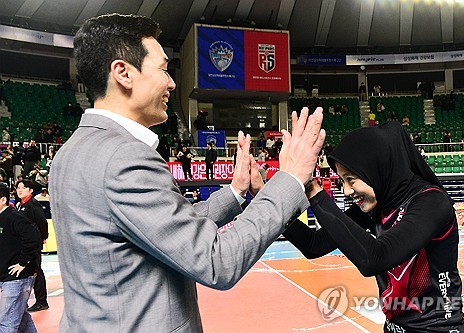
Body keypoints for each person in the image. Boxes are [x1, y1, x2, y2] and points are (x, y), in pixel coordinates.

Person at [49, 13, 325, 333]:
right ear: (123, 73)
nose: (172, 82)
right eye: (164, 69)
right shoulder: (123, 157)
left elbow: (169, 227)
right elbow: (217, 261)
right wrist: (289, 177)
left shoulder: (71, 152)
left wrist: (235, 191)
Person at [284, 121, 464, 333]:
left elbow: (374, 258)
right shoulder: (378, 205)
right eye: (342, 181)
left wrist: (315, 193)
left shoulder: (431, 202)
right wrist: (266, 199)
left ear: (376, 168)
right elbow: (313, 245)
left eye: (351, 180)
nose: (346, 191)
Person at [0, 184, 41, 333]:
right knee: (21, 320)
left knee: (6, 323)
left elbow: (34, 238)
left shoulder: (14, 216)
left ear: (3, 200)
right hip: (7, 277)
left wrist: (23, 262)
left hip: (17, 278)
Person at [16, 179, 49, 312]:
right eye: (18, 187)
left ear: (30, 190)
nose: (20, 190)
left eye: (23, 188)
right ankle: (25, 301)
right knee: (28, 271)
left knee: (36, 271)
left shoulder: (33, 205)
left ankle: (42, 301)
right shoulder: (20, 205)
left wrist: (43, 237)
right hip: (24, 244)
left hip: (33, 243)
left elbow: (42, 222)